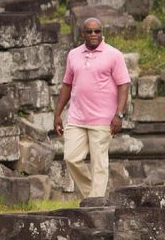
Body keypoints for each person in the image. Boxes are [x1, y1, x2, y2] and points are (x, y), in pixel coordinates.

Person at [54, 17, 130, 198]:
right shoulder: (73, 54)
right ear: (83, 34)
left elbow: (124, 85)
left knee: (99, 164)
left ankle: (95, 205)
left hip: (103, 120)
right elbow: (67, 85)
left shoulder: (114, 55)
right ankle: (93, 196)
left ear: (102, 33)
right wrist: (57, 114)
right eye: (90, 31)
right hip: (76, 117)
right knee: (71, 158)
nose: (94, 34)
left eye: (98, 31)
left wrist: (119, 114)